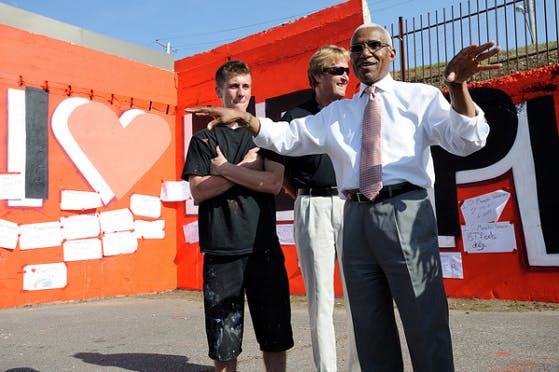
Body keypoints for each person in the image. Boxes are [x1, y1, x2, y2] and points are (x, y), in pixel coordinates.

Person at [186, 23, 501, 372]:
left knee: (422, 317)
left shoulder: (420, 97)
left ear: (391, 53)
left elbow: (468, 140)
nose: (365, 53)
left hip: (405, 210)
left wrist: (457, 88)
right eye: (358, 48)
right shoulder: (340, 112)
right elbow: (290, 137)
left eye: (374, 45)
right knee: (368, 323)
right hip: (354, 215)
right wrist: (246, 119)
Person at [181, 60, 294, 372]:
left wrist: (226, 169)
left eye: (245, 86)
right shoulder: (203, 140)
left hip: (264, 248)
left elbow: (272, 183)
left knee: (275, 334)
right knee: (223, 338)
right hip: (221, 251)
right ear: (219, 91)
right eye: (233, 86)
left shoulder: (264, 134)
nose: (240, 93)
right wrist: (247, 168)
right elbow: (199, 192)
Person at [280, 45, 359, 372]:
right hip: (311, 204)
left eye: (346, 71)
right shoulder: (295, 117)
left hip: (351, 204)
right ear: (317, 76)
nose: (345, 76)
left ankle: (360, 367)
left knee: (360, 295)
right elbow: (282, 170)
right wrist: (303, 196)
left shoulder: (355, 112)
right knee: (320, 299)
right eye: (337, 70)